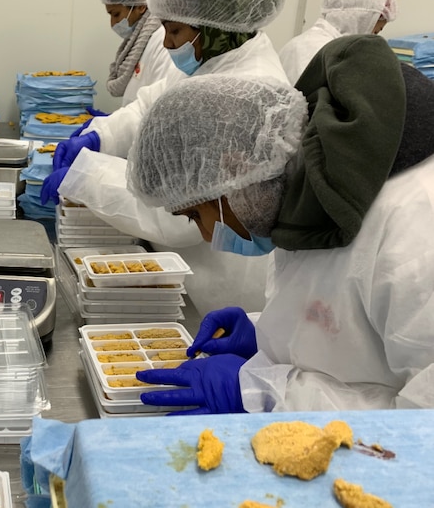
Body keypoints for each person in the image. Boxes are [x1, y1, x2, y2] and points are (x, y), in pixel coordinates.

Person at [130, 37, 434, 413]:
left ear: (235, 169)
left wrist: (267, 394)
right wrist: (265, 335)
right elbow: (346, 324)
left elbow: (421, 427)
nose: (207, 235)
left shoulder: (415, 229)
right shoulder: (305, 194)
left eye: (196, 214)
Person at [42, 0, 290, 314]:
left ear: (213, 26)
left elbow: (178, 211)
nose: (167, 42)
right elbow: (151, 106)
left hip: (217, 286)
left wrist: (85, 177)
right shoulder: (211, 59)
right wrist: (101, 135)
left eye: (174, 30)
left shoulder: (244, 94)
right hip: (185, 270)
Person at [279, 0, 398, 84]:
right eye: (374, 32)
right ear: (360, 18)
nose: (372, 38)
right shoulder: (318, 52)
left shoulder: (315, 43)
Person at [100, 0, 181, 106]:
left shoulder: (163, 41)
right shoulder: (139, 41)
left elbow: (158, 103)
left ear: (140, 7)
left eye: (116, 14)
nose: (113, 23)